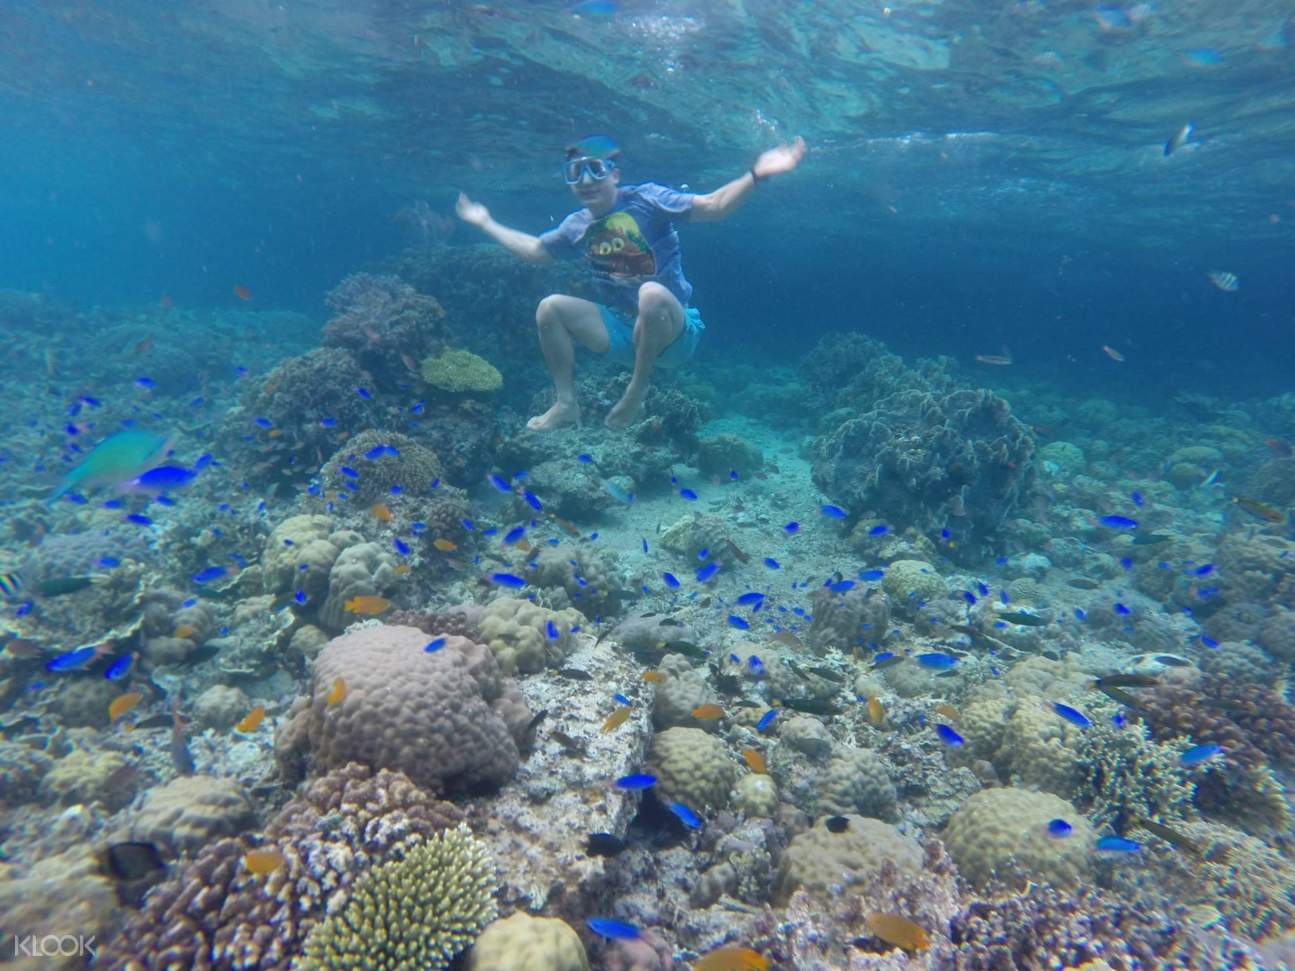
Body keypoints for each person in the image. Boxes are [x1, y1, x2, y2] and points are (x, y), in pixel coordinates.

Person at [455, 134, 806, 430]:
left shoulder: (648, 199)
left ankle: (637, 392)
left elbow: (715, 206)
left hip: (675, 333)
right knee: (550, 308)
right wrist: (485, 222)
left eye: (596, 168)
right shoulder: (576, 226)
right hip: (623, 331)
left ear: (615, 174)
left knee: (650, 293)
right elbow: (535, 250)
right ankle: (566, 404)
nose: (587, 180)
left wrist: (757, 174)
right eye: (576, 172)